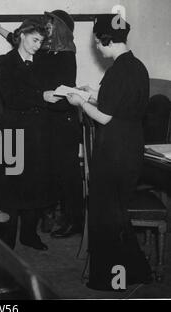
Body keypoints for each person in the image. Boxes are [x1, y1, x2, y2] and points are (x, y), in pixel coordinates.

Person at [66, 14, 152, 290]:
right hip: (130, 148)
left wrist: (80, 103)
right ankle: (135, 272)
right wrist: (91, 93)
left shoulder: (117, 71)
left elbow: (104, 117)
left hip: (114, 150)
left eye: (98, 42)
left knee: (106, 216)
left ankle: (113, 281)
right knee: (117, 213)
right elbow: (117, 103)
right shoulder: (136, 67)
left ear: (106, 39)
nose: (97, 48)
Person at [0, 10, 84, 238]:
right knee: (23, 184)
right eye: (37, 39)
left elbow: (26, 40)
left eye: (50, 26)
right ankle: (13, 237)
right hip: (34, 124)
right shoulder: (34, 54)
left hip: (57, 124)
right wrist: (1, 29)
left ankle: (62, 223)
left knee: (51, 180)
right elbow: (20, 40)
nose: (46, 30)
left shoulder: (61, 55)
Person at [0, 19, 53, 251]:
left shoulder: (42, 62)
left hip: (37, 133)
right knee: (11, 189)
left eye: (41, 42)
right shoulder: (5, 62)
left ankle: (29, 235)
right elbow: (11, 97)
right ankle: (7, 240)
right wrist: (41, 97)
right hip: (13, 132)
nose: (37, 46)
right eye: (34, 40)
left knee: (36, 185)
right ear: (22, 36)